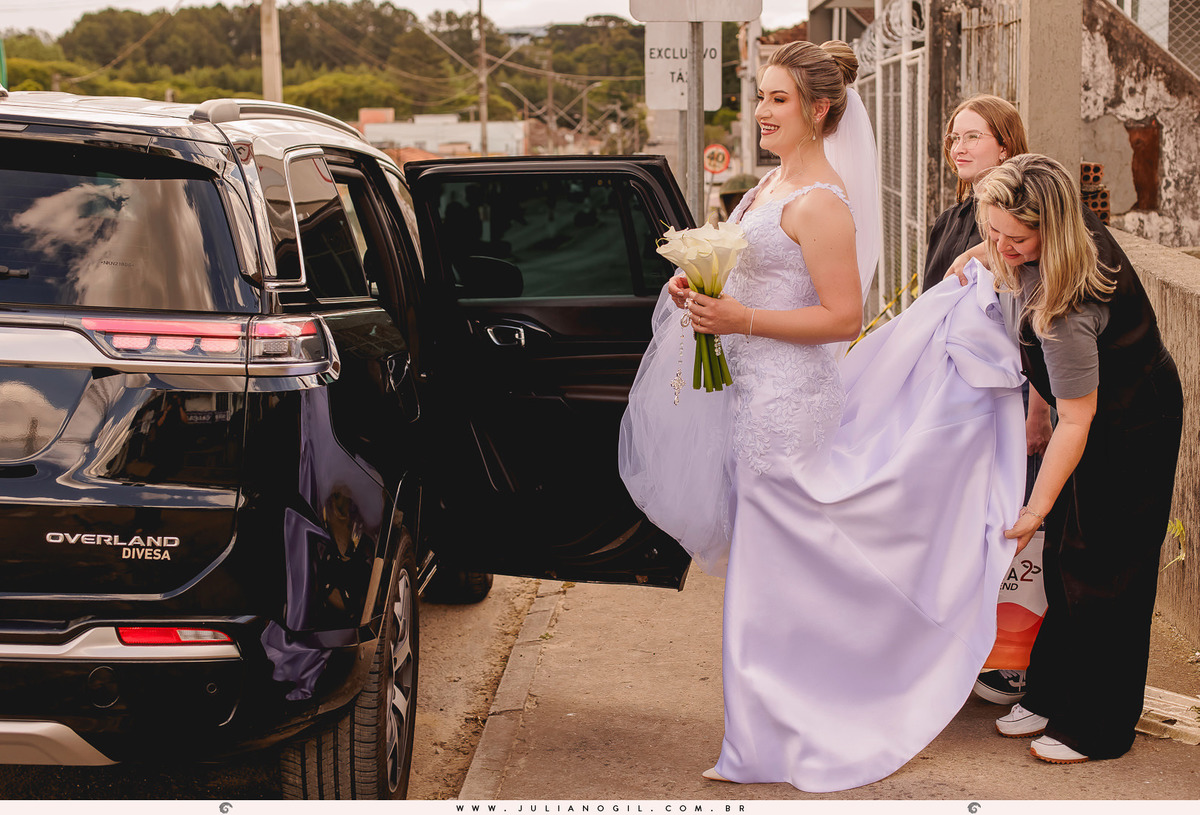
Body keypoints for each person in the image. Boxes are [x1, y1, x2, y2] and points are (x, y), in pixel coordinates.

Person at [620, 40, 1026, 792]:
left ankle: (782, 732)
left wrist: (739, 317)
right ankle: (772, 727)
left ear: (820, 109)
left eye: (778, 99)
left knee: (775, 578)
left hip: (788, 404)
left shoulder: (824, 203)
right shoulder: (768, 187)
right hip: (748, 395)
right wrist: (697, 292)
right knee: (772, 574)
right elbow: (752, 276)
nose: (763, 112)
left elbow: (843, 317)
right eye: (762, 97)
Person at [969, 154, 1183, 764]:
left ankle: (1097, 726)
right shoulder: (1050, 214)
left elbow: (1079, 417)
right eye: (993, 232)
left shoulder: (1068, 307)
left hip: (1129, 423)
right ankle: (1052, 695)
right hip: (1087, 414)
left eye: (1016, 238)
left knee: (1105, 570)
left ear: (1051, 230)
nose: (1001, 246)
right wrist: (979, 253)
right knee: (1067, 556)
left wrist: (1036, 507)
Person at [924, 95, 1038, 706]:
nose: (957, 147)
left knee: (999, 522)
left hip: (1003, 396)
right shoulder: (946, 222)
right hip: (948, 397)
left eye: (972, 136)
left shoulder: (1014, 225)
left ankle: (1008, 659)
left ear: (1006, 145)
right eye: (952, 138)